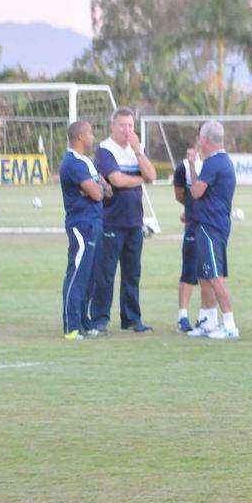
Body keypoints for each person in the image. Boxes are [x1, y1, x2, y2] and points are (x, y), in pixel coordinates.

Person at [88, 107, 156, 334]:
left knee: (132, 274)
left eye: (130, 126)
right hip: (110, 221)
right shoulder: (105, 149)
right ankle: (99, 319)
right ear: (112, 126)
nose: (127, 130)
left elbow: (153, 176)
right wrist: (140, 179)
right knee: (105, 274)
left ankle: (131, 319)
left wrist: (138, 151)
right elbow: (116, 180)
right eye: (122, 125)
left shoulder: (137, 149)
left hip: (134, 223)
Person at [183, 121, 239, 340]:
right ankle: (208, 321)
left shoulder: (214, 162)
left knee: (214, 277)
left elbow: (196, 192)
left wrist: (192, 167)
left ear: (204, 140)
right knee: (205, 276)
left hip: (210, 227)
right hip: (212, 225)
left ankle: (229, 324)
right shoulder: (221, 161)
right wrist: (191, 165)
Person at [59, 120, 109, 340]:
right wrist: (97, 187)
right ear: (80, 137)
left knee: (90, 277)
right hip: (81, 225)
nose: (93, 137)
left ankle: (83, 321)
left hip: (94, 223)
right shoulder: (72, 163)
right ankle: (71, 327)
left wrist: (97, 187)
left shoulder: (86, 162)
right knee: (77, 274)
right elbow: (99, 193)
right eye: (90, 133)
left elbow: (107, 191)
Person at [172, 146, 218, 333]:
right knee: (189, 270)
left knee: (209, 272)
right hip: (193, 226)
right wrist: (190, 209)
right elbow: (180, 195)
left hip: (211, 226)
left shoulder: (214, 163)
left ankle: (206, 315)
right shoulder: (183, 167)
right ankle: (182, 315)